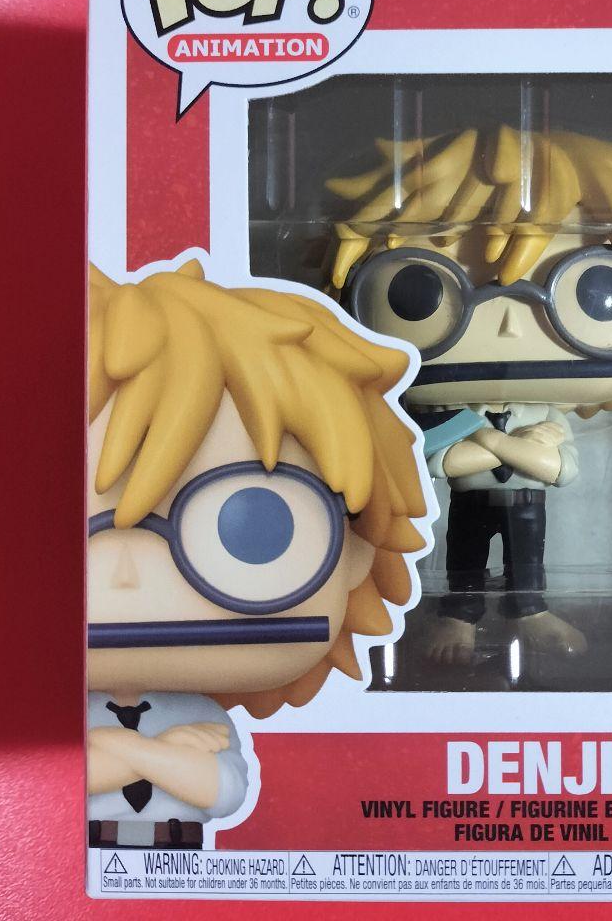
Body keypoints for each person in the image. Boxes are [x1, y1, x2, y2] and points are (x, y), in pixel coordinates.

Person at [326, 126, 612, 663]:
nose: (508, 325)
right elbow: (443, 465)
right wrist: (509, 445)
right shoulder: (448, 416)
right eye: (419, 291)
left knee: (528, 555)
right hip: (473, 501)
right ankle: (460, 612)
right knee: (464, 554)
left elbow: (559, 471)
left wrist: (487, 442)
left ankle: (530, 608)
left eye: (596, 290)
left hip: (526, 502)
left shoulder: (522, 414)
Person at [86, 258, 429, 847]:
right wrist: (157, 754)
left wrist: (115, 751)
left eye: (253, 529)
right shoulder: (173, 724)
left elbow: (222, 791)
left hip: (182, 859)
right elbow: (56, 778)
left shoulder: (199, 717)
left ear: (356, 552)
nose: (122, 573)